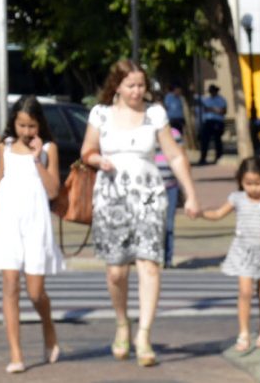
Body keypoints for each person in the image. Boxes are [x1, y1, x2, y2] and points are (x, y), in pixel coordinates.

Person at [81, 60, 205, 368]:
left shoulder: (155, 114)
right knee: (116, 272)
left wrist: (190, 194)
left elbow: (174, 155)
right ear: (117, 86)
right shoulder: (101, 114)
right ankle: (122, 322)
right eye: (131, 86)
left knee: (149, 265)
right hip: (111, 197)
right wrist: (97, 160)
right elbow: (87, 150)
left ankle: (144, 334)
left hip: (149, 196)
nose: (137, 91)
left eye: (141, 85)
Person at [0, 97, 65, 374]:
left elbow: (53, 190)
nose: (26, 131)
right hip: (7, 221)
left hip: (35, 223)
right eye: (21, 125)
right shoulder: (5, 147)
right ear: (14, 123)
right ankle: (16, 354)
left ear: (39, 124)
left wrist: (37, 159)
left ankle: (48, 328)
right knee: (10, 285)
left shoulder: (48, 149)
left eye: (31, 126)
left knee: (35, 293)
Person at [183, 155, 260, 354]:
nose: (253, 188)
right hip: (243, 251)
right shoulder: (238, 198)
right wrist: (201, 214)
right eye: (248, 183)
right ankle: (243, 332)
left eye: (258, 183)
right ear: (241, 181)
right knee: (245, 292)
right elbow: (218, 214)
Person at [196, 83, 228, 166]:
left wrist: (212, 109)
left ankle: (219, 157)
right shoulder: (207, 100)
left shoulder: (221, 100)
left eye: (213, 91)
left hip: (217, 121)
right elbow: (204, 110)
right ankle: (203, 158)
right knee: (204, 140)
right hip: (208, 121)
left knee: (217, 140)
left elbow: (223, 111)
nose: (212, 93)